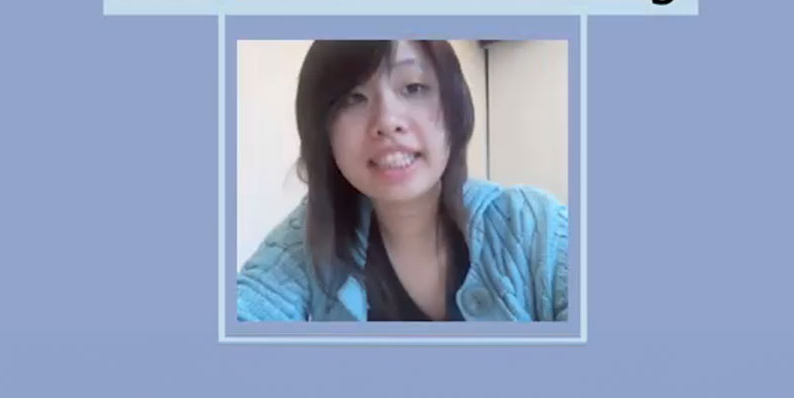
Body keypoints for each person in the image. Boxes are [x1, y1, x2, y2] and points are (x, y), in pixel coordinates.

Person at [236, 40, 568, 321]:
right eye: (353, 97)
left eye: (413, 88)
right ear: (323, 129)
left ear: (455, 109)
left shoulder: (535, 226)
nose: (387, 121)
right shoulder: (307, 240)